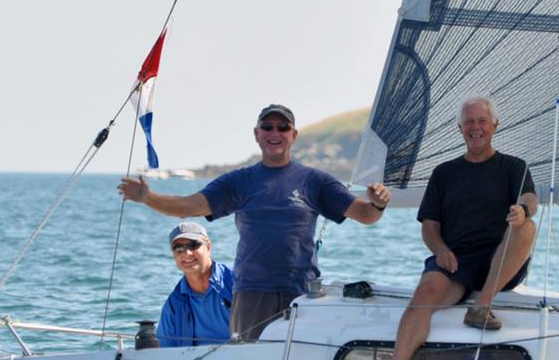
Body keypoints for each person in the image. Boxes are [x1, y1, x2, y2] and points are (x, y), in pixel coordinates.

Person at [120, 104, 390, 340]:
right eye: (268, 127)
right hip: (252, 295)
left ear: (293, 135)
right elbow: (187, 207)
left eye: (283, 127)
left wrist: (378, 202)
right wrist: (148, 197)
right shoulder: (239, 181)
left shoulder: (315, 181)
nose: (275, 133)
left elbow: (366, 215)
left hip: (301, 295)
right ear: (257, 134)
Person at [378, 95, 537, 360]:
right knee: (424, 294)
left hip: (500, 261)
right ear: (460, 128)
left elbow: (530, 199)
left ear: (495, 126)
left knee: (527, 226)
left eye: (482, 121)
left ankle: (482, 305)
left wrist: (522, 211)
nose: (475, 128)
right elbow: (429, 227)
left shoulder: (514, 167)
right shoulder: (444, 173)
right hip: (456, 260)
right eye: (469, 122)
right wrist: (439, 249)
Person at [156, 221, 234, 347]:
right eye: (179, 248)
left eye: (193, 245)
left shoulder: (238, 283)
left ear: (208, 247)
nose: (187, 253)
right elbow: (165, 353)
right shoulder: (173, 304)